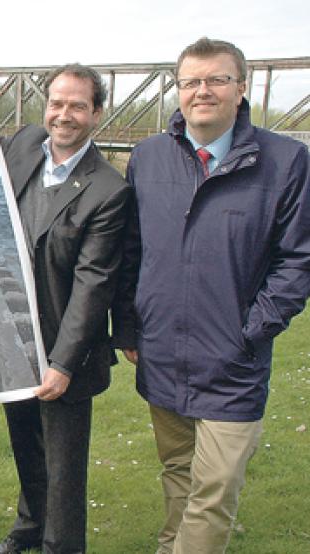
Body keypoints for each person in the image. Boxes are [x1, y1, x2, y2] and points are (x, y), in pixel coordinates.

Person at [114, 37, 310, 554]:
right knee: (179, 470)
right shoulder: (149, 156)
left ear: (241, 89)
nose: (203, 90)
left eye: (217, 79)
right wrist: (132, 328)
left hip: (233, 359)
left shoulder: (287, 161)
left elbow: (298, 260)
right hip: (161, 352)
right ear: (178, 90)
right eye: (191, 81)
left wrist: (253, 329)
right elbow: (131, 252)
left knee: (215, 488)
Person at [0, 64, 132, 554]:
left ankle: (60, 545)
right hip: (14, 339)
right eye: (56, 103)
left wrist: (63, 364)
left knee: (64, 468)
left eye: (77, 105)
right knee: (25, 447)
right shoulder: (25, 143)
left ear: (97, 112)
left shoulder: (109, 189)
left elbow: (94, 285)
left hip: (67, 353)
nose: (63, 115)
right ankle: (28, 529)